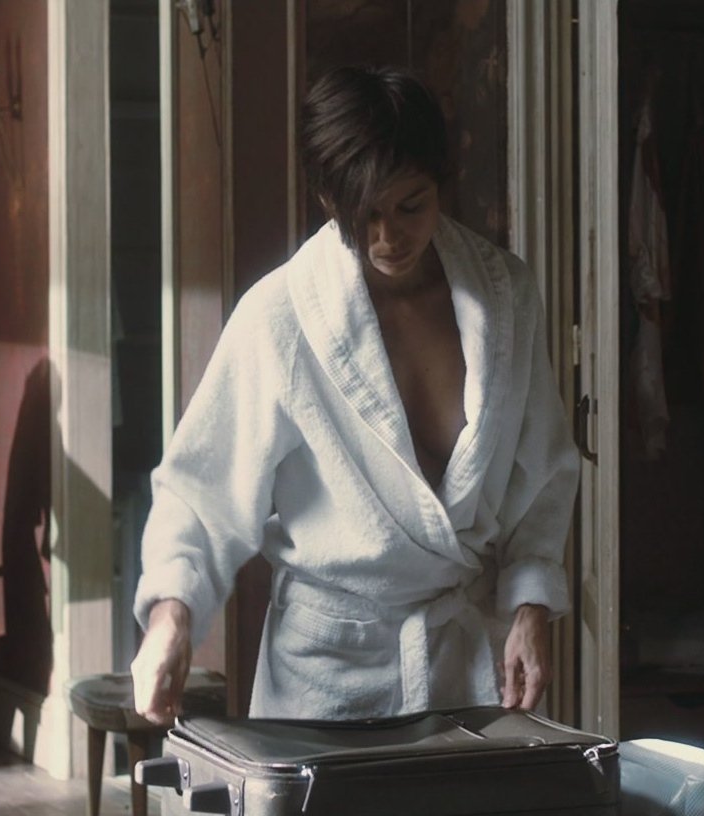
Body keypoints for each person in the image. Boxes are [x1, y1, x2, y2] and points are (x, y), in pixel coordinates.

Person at [129, 66, 580, 723]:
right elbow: (203, 492)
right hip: (327, 672)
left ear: (441, 184)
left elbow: (541, 475)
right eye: (364, 215)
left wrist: (530, 604)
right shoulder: (282, 316)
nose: (388, 238)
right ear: (327, 198)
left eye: (410, 206)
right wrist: (171, 619)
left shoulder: (505, 298)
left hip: (464, 662)